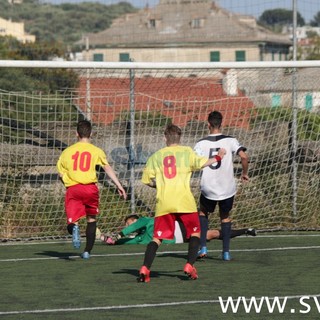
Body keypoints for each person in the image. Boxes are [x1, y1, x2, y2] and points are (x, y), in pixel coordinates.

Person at [137, 124, 226, 282]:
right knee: (195, 233)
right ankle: (189, 265)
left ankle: (145, 268)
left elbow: (145, 180)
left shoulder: (156, 156)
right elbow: (204, 163)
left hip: (164, 203)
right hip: (184, 202)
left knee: (157, 238)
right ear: (180, 138)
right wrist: (218, 156)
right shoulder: (187, 152)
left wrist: (158, 185)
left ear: (165, 138)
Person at [56, 120, 127, 259]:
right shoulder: (96, 151)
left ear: (76, 134)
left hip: (73, 188)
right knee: (91, 219)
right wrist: (119, 185)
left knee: (72, 222)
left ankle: (74, 229)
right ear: (91, 133)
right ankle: (87, 251)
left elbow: (60, 173)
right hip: (90, 189)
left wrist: (67, 183)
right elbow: (107, 168)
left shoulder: (67, 152)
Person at [194, 111, 249, 261]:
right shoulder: (231, 141)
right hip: (227, 188)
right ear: (221, 124)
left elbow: (194, 163)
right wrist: (244, 173)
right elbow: (244, 156)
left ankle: (203, 247)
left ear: (208, 125)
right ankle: (226, 253)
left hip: (208, 188)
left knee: (203, 212)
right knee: (224, 217)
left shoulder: (201, 143)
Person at [101, 214, 256, 245]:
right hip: (178, 239)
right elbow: (131, 241)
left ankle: (245, 230)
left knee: (209, 231)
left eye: (130, 222)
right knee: (212, 234)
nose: (130, 225)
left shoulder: (146, 221)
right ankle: (246, 231)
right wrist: (116, 241)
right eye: (127, 224)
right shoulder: (142, 238)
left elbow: (135, 226)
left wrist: (119, 234)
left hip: (179, 226)